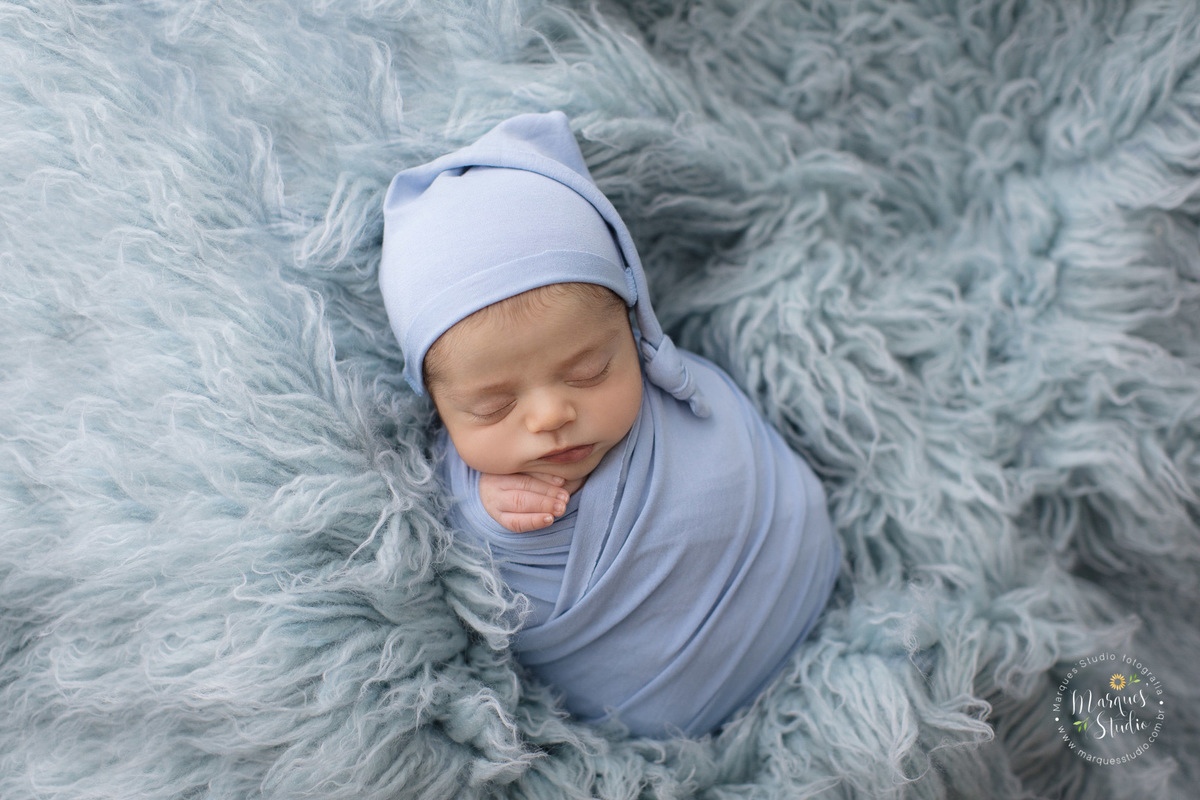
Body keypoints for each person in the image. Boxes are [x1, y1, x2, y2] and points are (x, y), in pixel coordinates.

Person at [379, 111, 841, 738]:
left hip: (802, 592)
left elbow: (742, 468)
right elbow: (450, 555)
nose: (549, 416)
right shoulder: (460, 481)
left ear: (637, 329)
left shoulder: (682, 398)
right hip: (643, 723)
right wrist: (479, 506)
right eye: (491, 407)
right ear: (438, 406)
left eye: (590, 370)